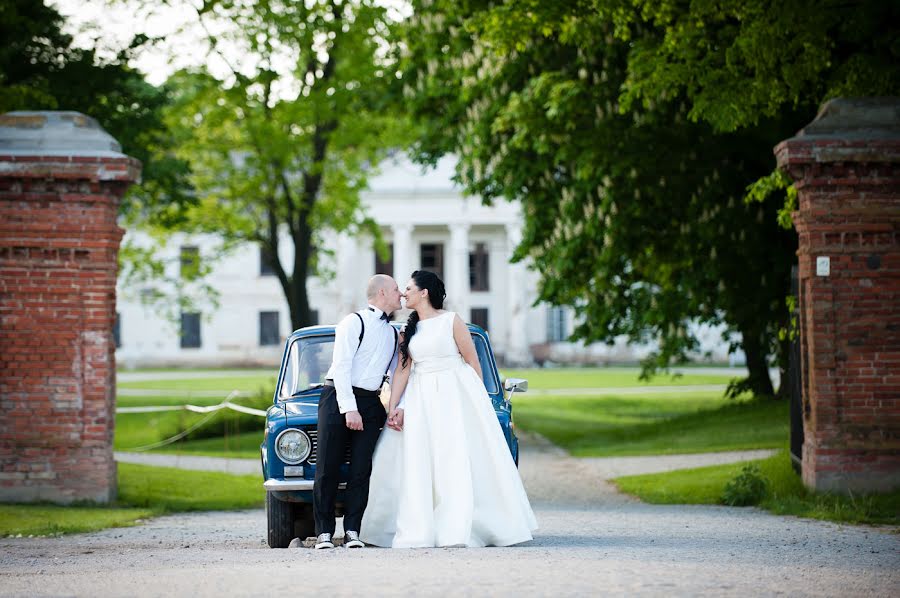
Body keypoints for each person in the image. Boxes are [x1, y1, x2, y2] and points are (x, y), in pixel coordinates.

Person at [360, 270, 538, 547]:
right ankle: (418, 525)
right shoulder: (409, 329)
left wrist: (478, 403)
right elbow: (402, 372)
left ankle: (461, 524)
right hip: (421, 397)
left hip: (454, 394)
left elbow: (472, 362)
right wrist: (394, 406)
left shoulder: (452, 321)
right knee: (416, 457)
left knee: (453, 457)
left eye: (408, 288)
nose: (404, 293)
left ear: (424, 293)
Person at [313, 274, 402, 550]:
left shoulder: (393, 333)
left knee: (361, 470)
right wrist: (349, 409)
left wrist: (394, 407)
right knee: (327, 467)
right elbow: (340, 367)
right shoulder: (353, 322)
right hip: (338, 397)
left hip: (371, 402)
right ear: (383, 293)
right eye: (397, 289)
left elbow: (397, 373)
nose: (401, 294)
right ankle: (324, 533)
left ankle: (353, 531)